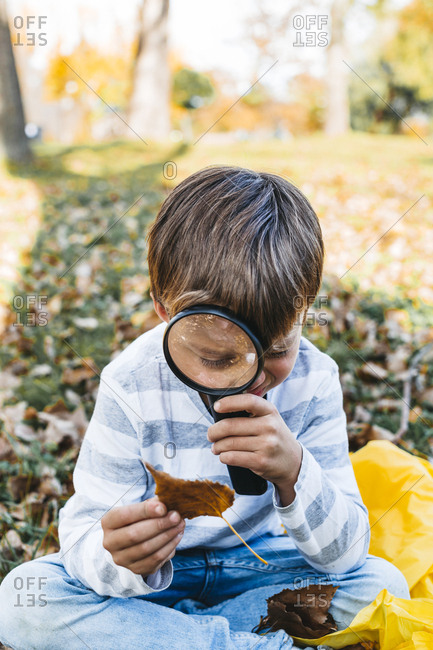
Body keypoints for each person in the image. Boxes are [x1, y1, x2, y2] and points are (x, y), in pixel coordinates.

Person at [0, 166, 410, 650]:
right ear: (163, 309)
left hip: (261, 569)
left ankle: (182, 639)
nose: (254, 376)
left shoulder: (314, 381)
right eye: (217, 358)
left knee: (381, 585)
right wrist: (122, 559)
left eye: (277, 349)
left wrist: (295, 472)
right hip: (157, 589)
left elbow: (343, 558)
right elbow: (85, 538)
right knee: (24, 599)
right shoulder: (131, 382)